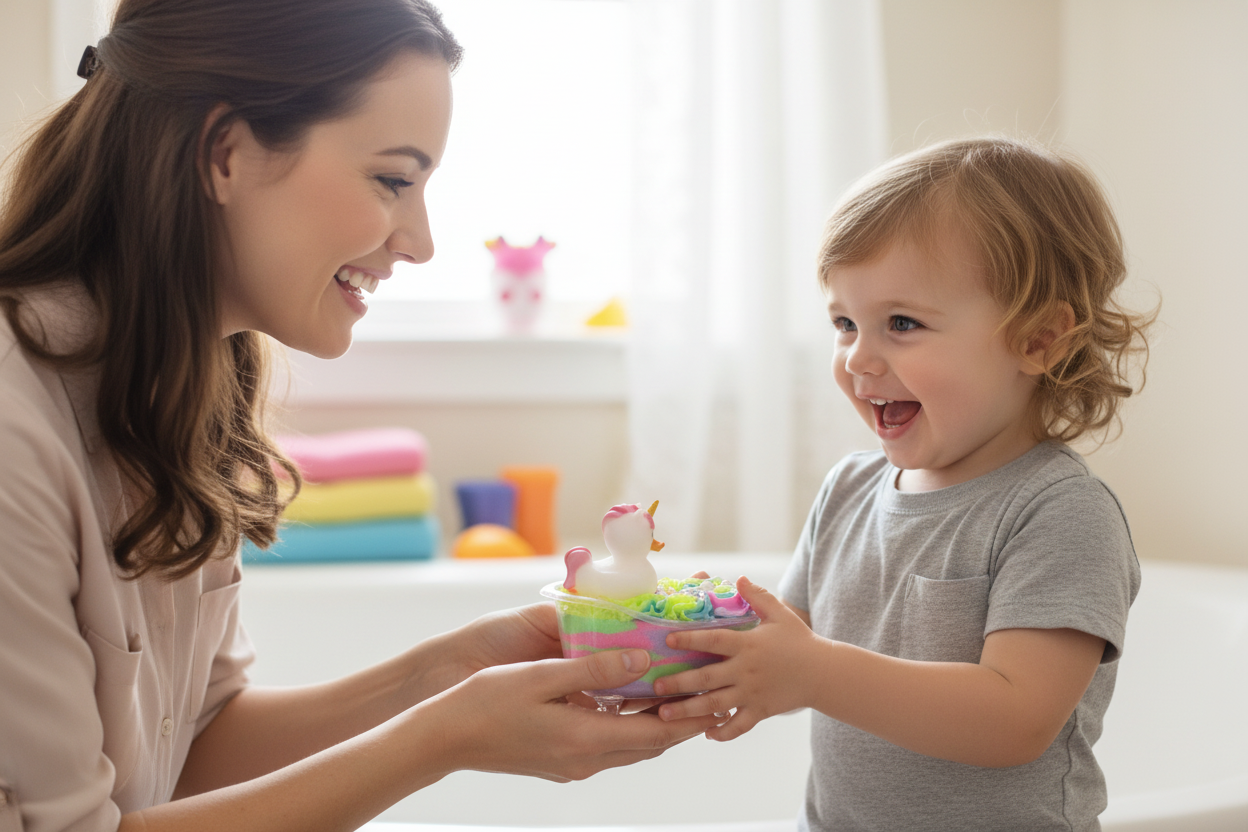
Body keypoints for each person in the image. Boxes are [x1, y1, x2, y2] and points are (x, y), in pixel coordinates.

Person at [0, 1, 724, 830]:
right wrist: (439, 739)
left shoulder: (181, 391)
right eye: (392, 180)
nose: (418, 240)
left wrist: (443, 672)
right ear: (223, 152)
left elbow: (193, 753)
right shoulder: (13, 423)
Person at [651, 137, 1156, 831]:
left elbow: (1014, 720)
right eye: (844, 323)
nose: (859, 355)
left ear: (1038, 340)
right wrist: (671, 646)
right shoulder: (849, 489)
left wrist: (812, 673)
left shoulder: (1058, 512)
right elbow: (788, 644)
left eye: (902, 323)